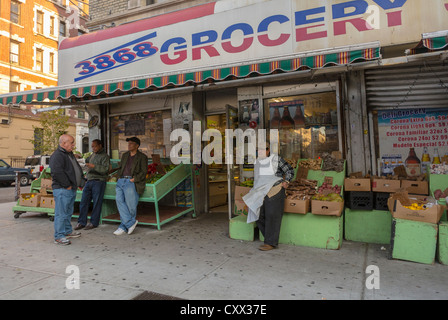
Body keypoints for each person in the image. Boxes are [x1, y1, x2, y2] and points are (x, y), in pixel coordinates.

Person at [243, 141, 294, 251]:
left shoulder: (276, 159)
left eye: (264, 149)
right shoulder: (257, 162)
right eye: (259, 149)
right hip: (261, 191)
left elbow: (290, 170)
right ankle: (270, 238)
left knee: (272, 216)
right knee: (258, 214)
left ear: (268, 150)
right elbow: (257, 180)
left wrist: (287, 182)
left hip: (275, 190)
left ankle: (270, 242)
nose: (261, 151)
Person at [50, 134, 85, 245]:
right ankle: (59, 236)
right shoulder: (57, 155)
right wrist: (67, 185)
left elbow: (75, 169)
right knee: (61, 213)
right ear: (64, 143)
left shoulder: (68, 154)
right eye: (71, 142)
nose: (73, 145)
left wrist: (80, 181)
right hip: (62, 189)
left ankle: (67, 231)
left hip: (70, 189)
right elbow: (57, 172)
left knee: (68, 212)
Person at [113, 137, 148, 235]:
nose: (129, 145)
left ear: (137, 145)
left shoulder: (142, 157)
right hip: (121, 181)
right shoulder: (125, 155)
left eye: (131, 143)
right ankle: (130, 223)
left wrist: (134, 179)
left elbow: (143, 172)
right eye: (128, 143)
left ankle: (123, 226)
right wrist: (119, 177)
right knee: (119, 201)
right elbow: (121, 168)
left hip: (131, 181)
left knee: (131, 205)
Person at [75, 139, 110, 231]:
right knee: (83, 202)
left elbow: (105, 170)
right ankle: (81, 222)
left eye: (95, 146)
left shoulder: (105, 156)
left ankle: (94, 222)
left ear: (100, 145)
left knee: (96, 203)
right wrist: (79, 158)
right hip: (89, 181)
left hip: (99, 181)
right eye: (92, 146)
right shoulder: (92, 155)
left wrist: (94, 166)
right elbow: (85, 161)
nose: (93, 148)